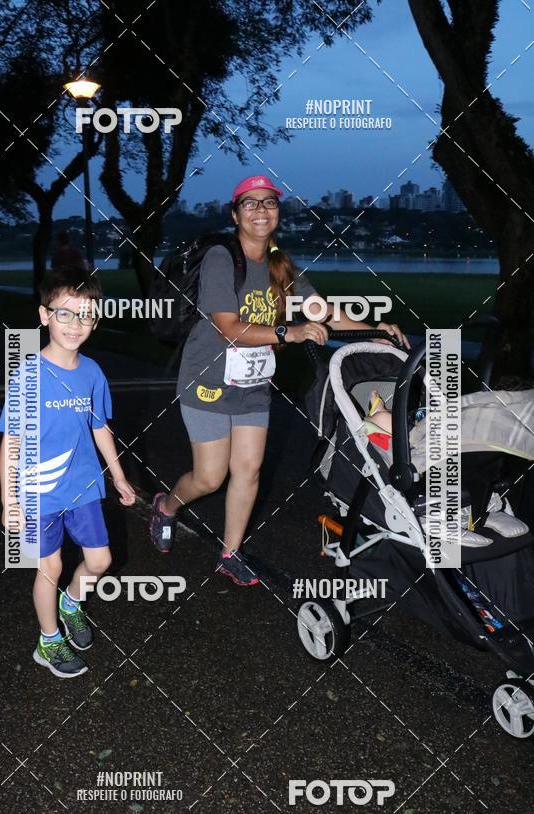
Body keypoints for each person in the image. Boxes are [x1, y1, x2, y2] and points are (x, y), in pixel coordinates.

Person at [149, 174, 410, 585]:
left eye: (269, 203)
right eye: (250, 203)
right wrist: (290, 332)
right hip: (207, 382)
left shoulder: (280, 265)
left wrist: (374, 329)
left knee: (249, 471)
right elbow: (228, 327)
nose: (260, 210)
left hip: (253, 387)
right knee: (209, 477)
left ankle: (230, 554)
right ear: (235, 214)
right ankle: (166, 506)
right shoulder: (222, 257)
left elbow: (322, 312)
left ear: (278, 213)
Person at [0, 267, 136, 678]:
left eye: (86, 314)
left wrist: (119, 475)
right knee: (50, 568)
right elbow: (12, 443)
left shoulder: (92, 372)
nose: (76, 324)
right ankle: (48, 639)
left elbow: (99, 427)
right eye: (65, 313)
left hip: (83, 487)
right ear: (44, 316)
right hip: (38, 492)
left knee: (100, 561)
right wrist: (10, 501)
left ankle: (71, 603)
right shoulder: (27, 375)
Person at [362, 388, 534, 543]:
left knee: (479, 420)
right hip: (423, 466)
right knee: (480, 420)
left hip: (455, 467)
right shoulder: (397, 442)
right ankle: (381, 414)